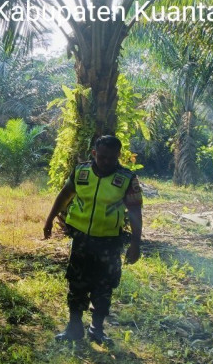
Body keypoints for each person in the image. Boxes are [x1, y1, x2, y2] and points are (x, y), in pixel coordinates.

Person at [43, 135, 143, 345]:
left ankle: (96, 329)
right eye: (102, 157)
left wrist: (136, 243)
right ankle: (74, 328)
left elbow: (135, 211)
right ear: (94, 153)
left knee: (104, 286)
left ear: (118, 156)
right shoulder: (81, 172)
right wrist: (50, 218)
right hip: (82, 239)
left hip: (109, 242)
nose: (106, 162)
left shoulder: (126, 178)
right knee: (76, 283)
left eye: (112, 158)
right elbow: (65, 194)